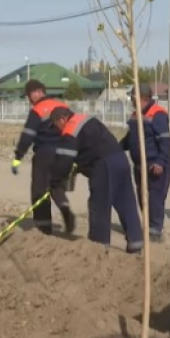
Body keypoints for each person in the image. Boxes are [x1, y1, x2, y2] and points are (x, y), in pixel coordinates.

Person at [50, 108, 143, 253]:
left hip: (104, 164)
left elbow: (64, 161)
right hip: (120, 159)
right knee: (126, 202)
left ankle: (98, 246)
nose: (57, 130)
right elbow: (90, 146)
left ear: (62, 119)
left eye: (55, 125)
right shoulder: (87, 119)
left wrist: (55, 181)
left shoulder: (70, 129)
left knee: (99, 205)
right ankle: (135, 243)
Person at [11, 80, 66, 235]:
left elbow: (28, 135)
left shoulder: (38, 110)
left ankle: (43, 228)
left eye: (29, 96)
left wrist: (18, 157)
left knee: (39, 191)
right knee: (56, 188)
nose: (29, 100)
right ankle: (66, 212)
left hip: (45, 154)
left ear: (36, 93)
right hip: (64, 153)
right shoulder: (62, 106)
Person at [120, 84, 170, 242]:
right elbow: (130, 139)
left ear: (141, 97)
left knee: (155, 197)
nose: (131, 99)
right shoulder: (136, 115)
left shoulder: (157, 114)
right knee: (143, 196)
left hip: (154, 164)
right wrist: (115, 148)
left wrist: (160, 162)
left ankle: (155, 231)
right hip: (139, 165)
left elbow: (166, 141)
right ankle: (148, 226)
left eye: (132, 96)